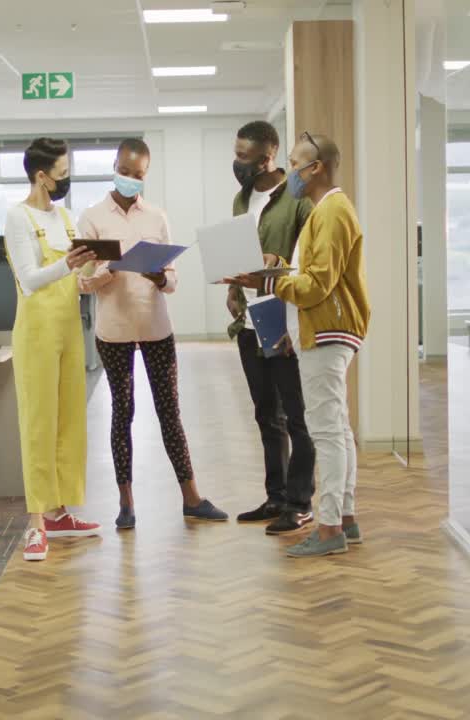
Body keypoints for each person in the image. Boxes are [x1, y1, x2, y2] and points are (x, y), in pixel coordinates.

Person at [226, 132, 371, 558]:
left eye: (294, 164)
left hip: (328, 330)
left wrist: (268, 282)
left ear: (316, 167)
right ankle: (345, 520)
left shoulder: (332, 211)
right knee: (337, 429)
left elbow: (317, 284)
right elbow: (313, 275)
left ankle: (329, 529)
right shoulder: (326, 212)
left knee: (326, 432)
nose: (289, 171)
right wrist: (278, 268)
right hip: (322, 328)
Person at [78, 139, 228, 529]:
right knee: (122, 413)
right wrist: (108, 270)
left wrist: (161, 277)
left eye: (138, 175)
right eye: (124, 172)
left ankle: (192, 498)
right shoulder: (92, 218)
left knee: (169, 413)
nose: (130, 179)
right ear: (114, 166)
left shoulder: (157, 217)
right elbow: (82, 282)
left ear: (146, 174)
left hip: (156, 327)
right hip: (114, 332)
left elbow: (173, 280)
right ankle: (126, 504)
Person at [3, 137, 101, 562]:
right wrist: (69, 264)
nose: (66, 179)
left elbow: (73, 277)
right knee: (39, 424)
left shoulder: (65, 216)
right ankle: (36, 522)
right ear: (41, 176)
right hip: (37, 333)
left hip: (68, 328)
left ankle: (60, 512)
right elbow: (28, 279)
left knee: (69, 421)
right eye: (62, 174)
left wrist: (95, 268)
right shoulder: (18, 217)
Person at [227, 121, 318, 536]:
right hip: (249, 318)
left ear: (268, 156)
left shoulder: (298, 200)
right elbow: (239, 253)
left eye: (243, 157)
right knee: (266, 413)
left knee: (297, 415)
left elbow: (308, 263)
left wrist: (277, 267)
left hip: (282, 316)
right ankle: (276, 496)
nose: (237, 163)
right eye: (236, 154)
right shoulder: (241, 199)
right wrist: (233, 289)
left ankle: (300, 502)